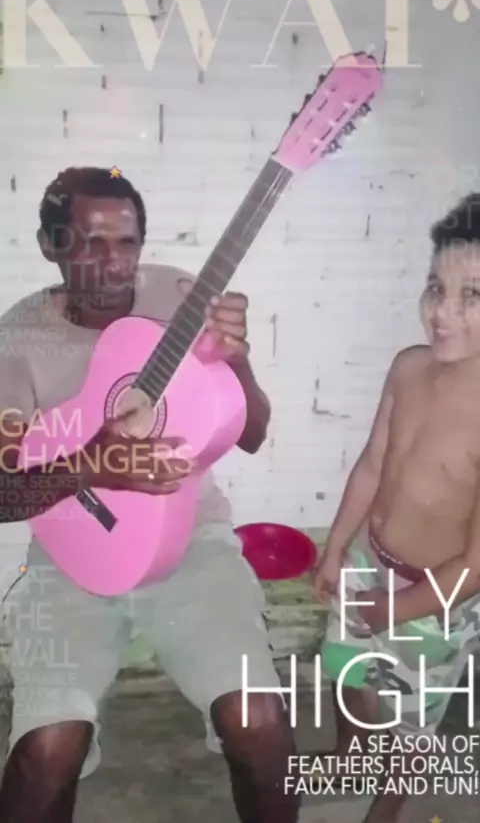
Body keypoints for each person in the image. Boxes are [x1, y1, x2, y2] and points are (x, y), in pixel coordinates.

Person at [0, 167, 299, 823]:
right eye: (90, 242)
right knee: (45, 752)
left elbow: (251, 435)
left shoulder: (179, 297)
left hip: (191, 543)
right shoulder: (17, 339)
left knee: (260, 725)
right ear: (50, 243)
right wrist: (89, 466)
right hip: (72, 553)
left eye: (127, 242)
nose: (114, 264)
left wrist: (235, 357)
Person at [314, 193, 480, 823]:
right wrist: (336, 549)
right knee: (344, 668)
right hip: (368, 559)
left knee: (412, 721)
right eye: (436, 287)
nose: (443, 312)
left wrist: (396, 609)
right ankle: (349, 752)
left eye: (472, 295)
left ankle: (387, 806)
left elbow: (475, 564)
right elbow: (372, 464)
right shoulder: (407, 367)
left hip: (434, 601)